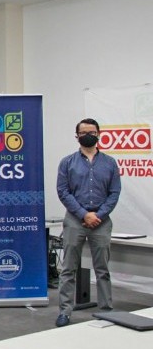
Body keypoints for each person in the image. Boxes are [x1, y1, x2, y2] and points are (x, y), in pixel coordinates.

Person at [55, 118, 121, 327]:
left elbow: (114, 192)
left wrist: (98, 215)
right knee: (68, 268)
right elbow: (63, 191)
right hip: (75, 220)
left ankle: (106, 311)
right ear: (77, 136)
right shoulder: (67, 162)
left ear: (99, 134)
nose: (88, 135)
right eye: (83, 132)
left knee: (102, 269)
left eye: (91, 132)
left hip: (101, 221)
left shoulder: (110, 163)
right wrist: (84, 214)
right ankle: (65, 311)